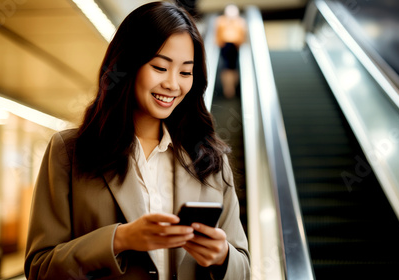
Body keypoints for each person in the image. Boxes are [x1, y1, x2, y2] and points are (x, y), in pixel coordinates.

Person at [24, 2, 250, 280]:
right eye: (160, 67)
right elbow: (39, 268)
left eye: (185, 72)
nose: (172, 84)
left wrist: (223, 257)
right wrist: (119, 239)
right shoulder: (69, 152)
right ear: (127, 64)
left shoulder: (210, 159)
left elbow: (243, 267)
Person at [215, 4, 247, 99]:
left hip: (235, 46)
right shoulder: (221, 21)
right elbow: (217, 36)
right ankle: (228, 88)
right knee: (227, 68)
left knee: (232, 68)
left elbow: (242, 36)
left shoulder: (240, 22)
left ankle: (231, 87)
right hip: (225, 46)